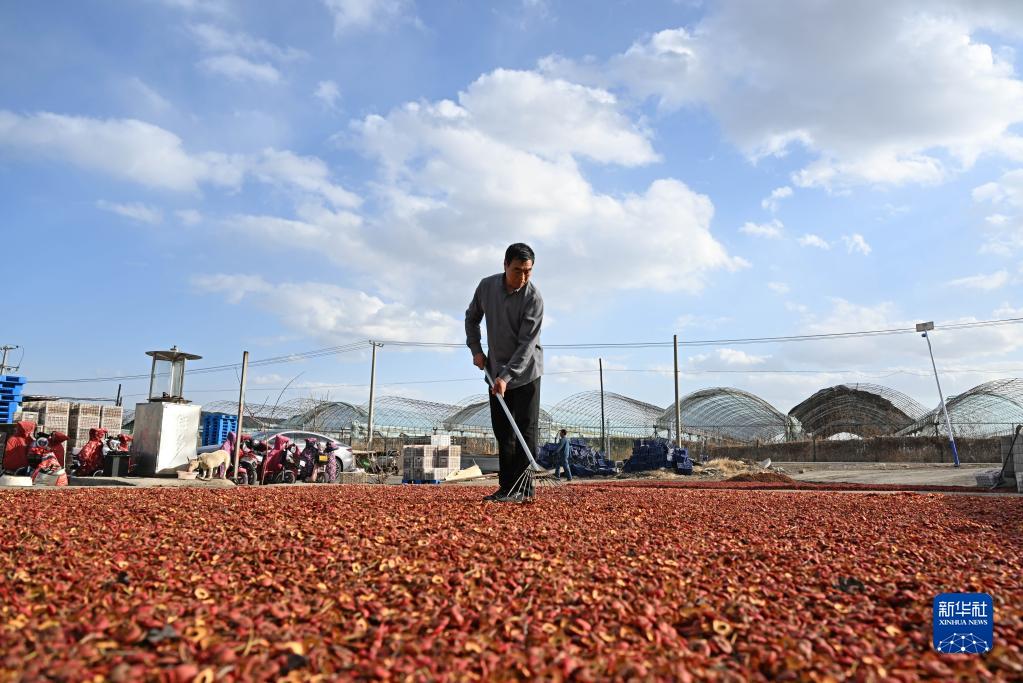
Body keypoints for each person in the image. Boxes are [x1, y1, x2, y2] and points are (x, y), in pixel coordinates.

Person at [466, 243, 544, 502]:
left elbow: (527, 345)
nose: (523, 277)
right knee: (503, 431)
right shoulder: (486, 287)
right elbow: (471, 317)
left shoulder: (533, 298)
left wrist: (506, 378)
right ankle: (506, 488)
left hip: (526, 374)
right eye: (518, 270)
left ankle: (524, 490)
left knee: (525, 430)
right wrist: (476, 349)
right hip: (495, 371)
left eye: (528, 271)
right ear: (505, 265)